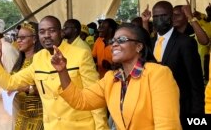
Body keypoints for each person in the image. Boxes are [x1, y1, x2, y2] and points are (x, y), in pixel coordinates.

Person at [0, 15, 109, 130]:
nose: (46, 35)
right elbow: (10, 83)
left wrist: (101, 127)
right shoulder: (38, 58)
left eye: (51, 31)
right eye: (42, 31)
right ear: (38, 36)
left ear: (61, 33)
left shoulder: (81, 55)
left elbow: (94, 98)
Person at [50, 23, 182, 130]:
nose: (114, 44)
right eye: (113, 40)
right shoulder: (112, 78)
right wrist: (62, 71)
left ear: (139, 46)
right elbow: (80, 100)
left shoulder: (158, 73)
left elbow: (167, 125)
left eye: (122, 40)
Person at [142, 1, 205, 128]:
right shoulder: (151, 43)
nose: (160, 19)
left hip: (181, 108)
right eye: (156, 16)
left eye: (163, 15)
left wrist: (196, 117)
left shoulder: (185, 42)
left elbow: (196, 82)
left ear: (171, 17)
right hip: (154, 109)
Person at [10, 21, 44, 130]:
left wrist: (27, 89)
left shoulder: (41, 60)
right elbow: (10, 81)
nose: (18, 40)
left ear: (34, 39)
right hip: (22, 117)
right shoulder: (20, 61)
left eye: (22, 37)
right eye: (17, 37)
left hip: (39, 118)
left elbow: (48, 87)